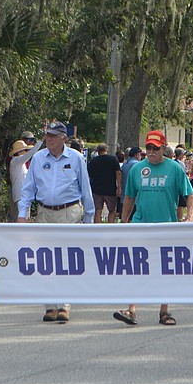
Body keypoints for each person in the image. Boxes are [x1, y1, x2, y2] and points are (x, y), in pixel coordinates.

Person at [113, 130, 193, 326]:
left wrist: (190, 216)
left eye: (155, 148)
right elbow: (129, 197)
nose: (150, 152)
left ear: (163, 149)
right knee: (137, 268)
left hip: (166, 225)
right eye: (148, 148)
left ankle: (164, 311)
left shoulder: (174, 169)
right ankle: (131, 310)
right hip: (141, 224)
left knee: (165, 269)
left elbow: (189, 194)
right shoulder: (137, 169)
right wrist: (124, 221)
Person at [17, 121, 95, 323]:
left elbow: (85, 190)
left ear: (63, 138)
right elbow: (28, 189)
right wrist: (22, 214)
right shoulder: (38, 158)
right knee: (46, 260)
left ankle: (64, 305)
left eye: (53, 136)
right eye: (47, 136)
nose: (48, 139)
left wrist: (89, 219)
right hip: (45, 212)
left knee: (66, 260)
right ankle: (49, 305)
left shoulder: (76, 158)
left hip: (69, 212)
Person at [8, 137, 43, 221]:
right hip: (20, 197)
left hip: (24, 197)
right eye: (25, 150)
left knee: (24, 220)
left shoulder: (21, 164)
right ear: (19, 152)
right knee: (20, 220)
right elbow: (30, 154)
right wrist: (41, 141)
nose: (27, 152)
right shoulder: (15, 161)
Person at [87, 143, 122, 223]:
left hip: (96, 190)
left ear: (98, 151)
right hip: (110, 189)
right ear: (107, 150)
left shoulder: (93, 161)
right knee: (112, 210)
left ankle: (98, 229)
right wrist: (119, 187)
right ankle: (110, 228)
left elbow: (89, 175)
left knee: (98, 210)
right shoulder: (113, 159)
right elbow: (118, 173)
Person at [120, 146, 143, 222]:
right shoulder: (137, 165)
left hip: (124, 196)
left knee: (125, 219)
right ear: (137, 155)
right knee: (132, 220)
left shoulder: (125, 164)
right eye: (140, 154)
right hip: (134, 198)